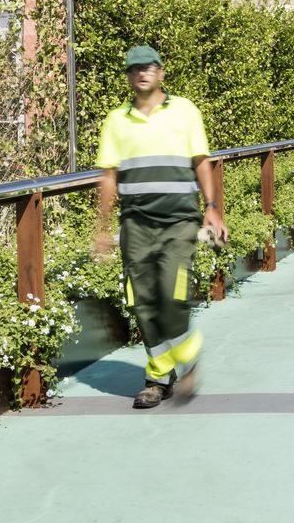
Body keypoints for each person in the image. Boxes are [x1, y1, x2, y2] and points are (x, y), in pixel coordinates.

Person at [92, 45, 226, 409]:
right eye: (135, 68)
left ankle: (188, 357)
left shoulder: (185, 111)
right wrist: (102, 227)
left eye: (148, 67)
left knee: (172, 295)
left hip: (179, 221)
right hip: (135, 224)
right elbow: (108, 176)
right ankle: (158, 379)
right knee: (142, 303)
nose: (142, 73)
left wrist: (212, 209)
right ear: (128, 76)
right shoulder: (116, 120)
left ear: (161, 72)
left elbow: (201, 161)